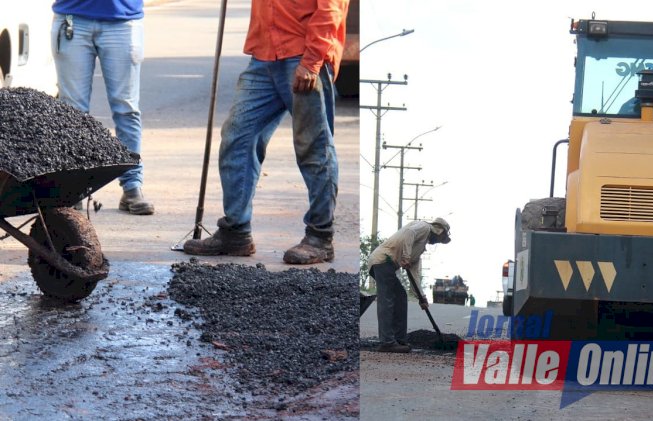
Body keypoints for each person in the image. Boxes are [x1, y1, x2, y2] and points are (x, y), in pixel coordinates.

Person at [183, 0, 350, 264]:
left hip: (304, 55)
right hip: (264, 56)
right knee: (237, 137)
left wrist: (312, 60)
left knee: (313, 147)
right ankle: (236, 231)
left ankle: (320, 236)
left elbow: (331, 7)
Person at [51, 0, 155, 215]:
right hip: (73, 19)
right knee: (72, 112)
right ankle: (73, 188)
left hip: (123, 20)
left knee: (126, 109)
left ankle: (131, 186)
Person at [367, 218, 452, 353]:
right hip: (382, 260)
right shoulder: (424, 227)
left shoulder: (419, 249)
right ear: (439, 230)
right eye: (442, 237)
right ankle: (387, 342)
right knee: (387, 299)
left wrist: (421, 297)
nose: (439, 241)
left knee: (400, 296)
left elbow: (415, 275)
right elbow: (409, 233)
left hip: (386, 264)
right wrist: (405, 256)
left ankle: (399, 339)